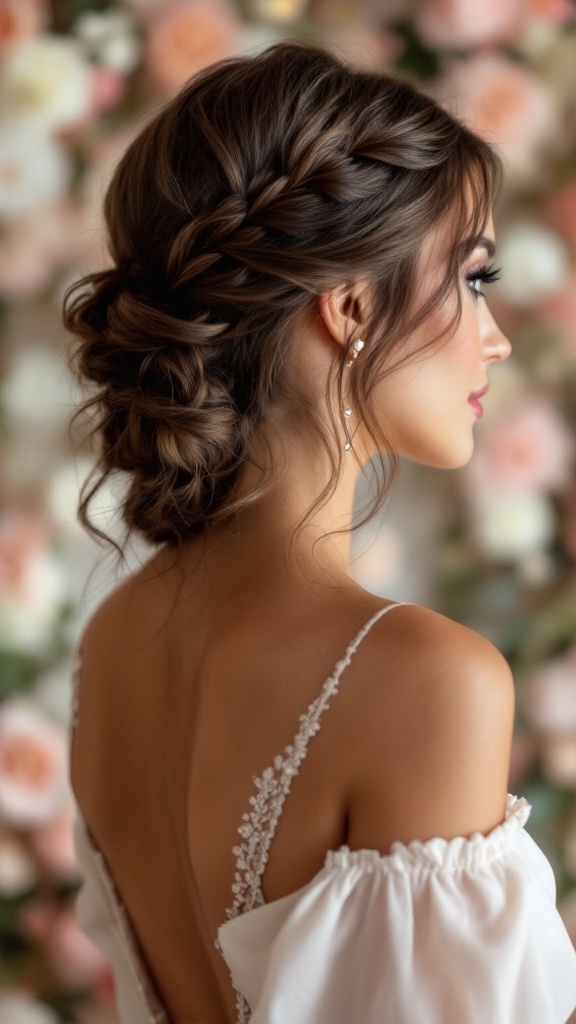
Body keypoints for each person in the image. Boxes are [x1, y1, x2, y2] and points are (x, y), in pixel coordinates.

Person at [63, 40, 576, 1024]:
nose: (497, 333)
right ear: (348, 307)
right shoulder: (430, 680)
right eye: (474, 279)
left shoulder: (111, 642)